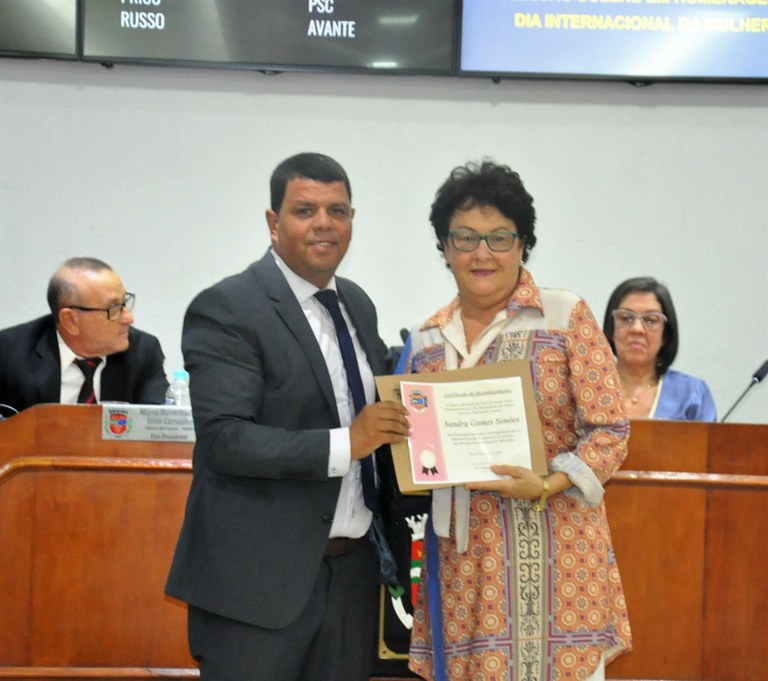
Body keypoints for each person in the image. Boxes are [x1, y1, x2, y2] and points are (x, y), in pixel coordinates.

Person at [165, 152, 411, 681]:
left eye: (338, 211)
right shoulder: (228, 307)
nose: (324, 223)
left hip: (352, 577)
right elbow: (226, 440)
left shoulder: (357, 304)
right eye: (305, 210)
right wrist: (349, 443)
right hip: (256, 586)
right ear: (273, 223)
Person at [397, 161, 632, 681]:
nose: (482, 253)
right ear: (444, 247)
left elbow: (611, 428)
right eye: (465, 238)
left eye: (499, 237)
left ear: (523, 244)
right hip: (463, 565)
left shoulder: (564, 315)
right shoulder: (427, 340)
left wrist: (549, 482)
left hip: (557, 559)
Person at [0, 257, 168, 412]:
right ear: (70, 320)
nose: (129, 318)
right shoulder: (9, 354)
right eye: (113, 309)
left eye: (124, 303)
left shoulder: (143, 352)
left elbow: (155, 431)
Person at [602, 276, 717, 421]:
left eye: (650, 320)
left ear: (665, 334)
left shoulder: (692, 394)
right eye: (626, 318)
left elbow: (708, 444)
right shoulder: (587, 390)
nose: (637, 329)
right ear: (611, 328)